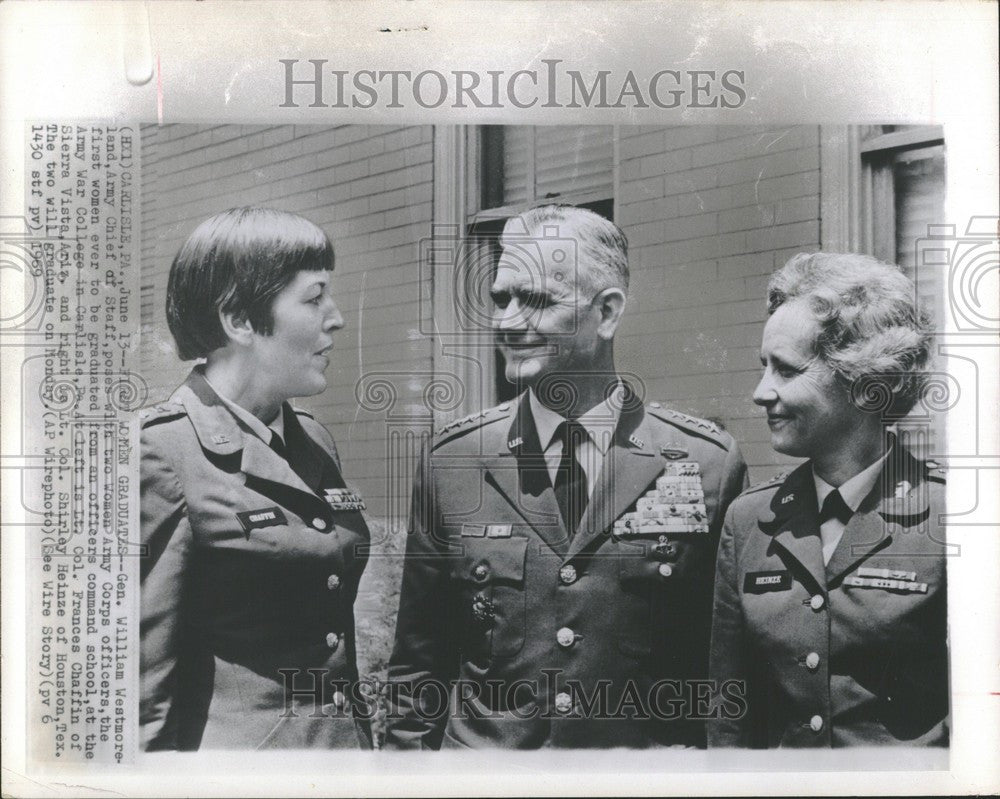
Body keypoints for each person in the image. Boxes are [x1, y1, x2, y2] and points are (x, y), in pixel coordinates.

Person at [385, 205, 748, 749]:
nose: (507, 322)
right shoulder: (454, 459)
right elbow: (417, 670)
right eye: (501, 298)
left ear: (606, 313)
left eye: (536, 300)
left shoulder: (705, 463)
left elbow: (731, 676)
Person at [140, 207, 372, 750]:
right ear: (240, 320)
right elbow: (144, 691)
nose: (335, 318)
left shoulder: (313, 440)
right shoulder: (159, 451)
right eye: (313, 299)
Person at [708, 252, 948, 748]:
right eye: (763, 366)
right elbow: (730, 715)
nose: (760, 392)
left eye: (786, 370)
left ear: (864, 384)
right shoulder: (750, 520)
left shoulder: (951, 518)